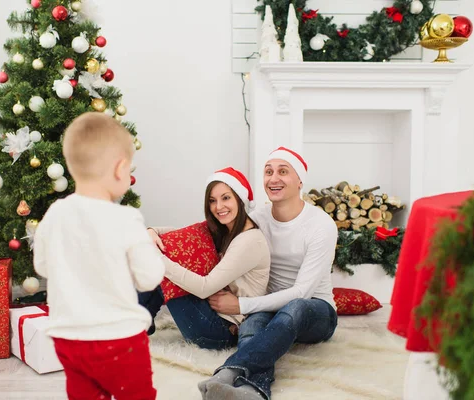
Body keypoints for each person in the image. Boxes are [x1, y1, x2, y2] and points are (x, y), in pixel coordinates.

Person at [33, 113, 165, 400]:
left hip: (69, 338)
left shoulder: (55, 214)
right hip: (119, 340)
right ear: (120, 168)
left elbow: (42, 265)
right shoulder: (125, 219)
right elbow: (149, 278)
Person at [198, 147, 339, 400]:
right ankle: (254, 391)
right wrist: (155, 231)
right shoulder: (257, 218)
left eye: (283, 171)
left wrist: (242, 304)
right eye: (268, 171)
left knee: (295, 307)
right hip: (270, 305)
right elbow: (210, 231)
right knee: (252, 324)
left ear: (299, 182)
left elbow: (302, 293)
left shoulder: (321, 225)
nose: (274, 178)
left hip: (315, 310)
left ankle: (228, 371)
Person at [139, 167, 271, 350]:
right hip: (211, 312)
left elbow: (204, 288)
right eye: (212, 201)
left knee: (167, 266)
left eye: (226, 198)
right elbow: (180, 235)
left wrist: (159, 258)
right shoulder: (224, 228)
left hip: (220, 331)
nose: (218, 207)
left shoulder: (250, 241)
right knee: (166, 248)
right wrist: (151, 232)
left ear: (239, 199)